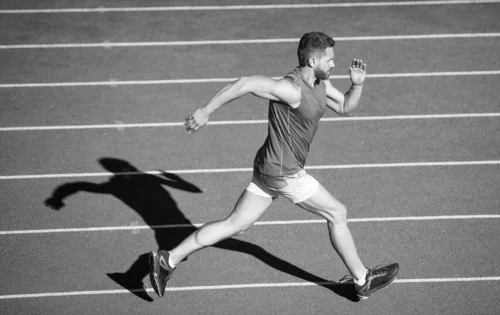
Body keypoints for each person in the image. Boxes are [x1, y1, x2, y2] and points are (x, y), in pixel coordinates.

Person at [149, 32, 398, 300]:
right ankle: (363, 280)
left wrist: (357, 85)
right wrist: (206, 111)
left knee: (236, 224)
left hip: (268, 169)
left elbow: (347, 107)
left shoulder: (321, 84)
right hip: (284, 173)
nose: (334, 64)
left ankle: (168, 260)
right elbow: (245, 83)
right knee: (337, 213)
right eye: (330, 59)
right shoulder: (290, 89)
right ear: (313, 60)